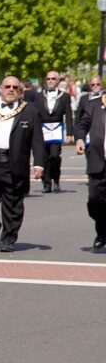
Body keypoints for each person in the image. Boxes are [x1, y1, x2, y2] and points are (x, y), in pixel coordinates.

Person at [0, 75, 45, 252]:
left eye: (15, 87)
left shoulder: (30, 111)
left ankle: (9, 238)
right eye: (7, 87)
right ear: (0, 88)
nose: (11, 90)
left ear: (20, 91)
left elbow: (37, 141)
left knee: (13, 204)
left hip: (14, 164)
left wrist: (39, 164)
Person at [75, 91, 106, 249]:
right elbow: (82, 124)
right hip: (98, 162)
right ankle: (102, 229)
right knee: (94, 201)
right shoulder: (94, 105)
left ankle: (101, 235)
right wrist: (80, 138)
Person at [37, 70, 73, 193]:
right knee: (43, 157)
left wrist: (69, 133)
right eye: (48, 79)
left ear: (58, 81)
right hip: (42, 130)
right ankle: (46, 183)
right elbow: (34, 115)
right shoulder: (39, 96)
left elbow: (68, 114)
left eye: (53, 79)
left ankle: (56, 179)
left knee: (54, 156)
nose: (50, 81)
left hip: (57, 130)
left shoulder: (64, 96)